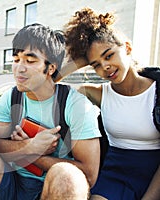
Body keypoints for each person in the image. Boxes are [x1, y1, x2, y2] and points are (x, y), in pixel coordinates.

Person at [0, 23, 101, 200]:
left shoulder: (76, 105)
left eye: (30, 60)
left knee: (67, 176)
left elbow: (89, 175)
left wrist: (32, 155)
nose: (19, 68)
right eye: (16, 59)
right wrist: (28, 147)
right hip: (12, 184)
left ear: (51, 67)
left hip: (51, 189)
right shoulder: (10, 98)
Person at [61, 7, 160, 200]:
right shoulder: (96, 93)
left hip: (155, 175)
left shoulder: (157, 91)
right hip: (115, 175)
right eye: (96, 64)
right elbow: (48, 82)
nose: (105, 66)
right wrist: (80, 60)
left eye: (109, 55)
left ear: (128, 48)